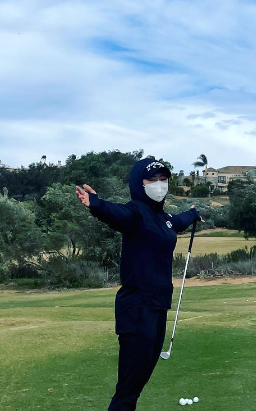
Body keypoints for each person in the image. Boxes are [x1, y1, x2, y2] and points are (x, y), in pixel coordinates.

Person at [75, 158, 201, 411]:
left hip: (157, 307)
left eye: (163, 179)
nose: (159, 184)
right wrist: (96, 204)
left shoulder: (162, 219)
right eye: (152, 180)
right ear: (138, 184)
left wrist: (193, 214)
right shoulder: (135, 213)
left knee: (137, 384)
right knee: (128, 389)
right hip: (136, 308)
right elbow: (117, 214)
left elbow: (176, 222)